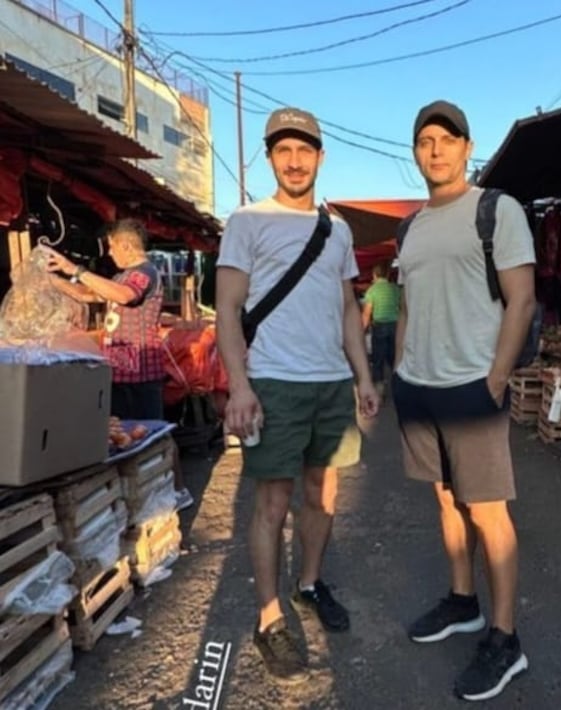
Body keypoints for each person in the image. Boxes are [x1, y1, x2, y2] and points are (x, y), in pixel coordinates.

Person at [215, 107, 379, 683]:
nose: (293, 160)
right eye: (282, 150)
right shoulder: (247, 220)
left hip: (331, 383)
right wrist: (239, 384)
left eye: (303, 149)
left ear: (320, 156)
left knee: (324, 493)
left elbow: (345, 309)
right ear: (270, 158)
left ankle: (309, 583)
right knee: (272, 503)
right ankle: (269, 615)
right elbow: (229, 309)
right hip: (276, 382)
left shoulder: (337, 230)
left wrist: (362, 376)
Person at [392, 100, 536, 702]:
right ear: (416, 151)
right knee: (448, 500)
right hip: (419, 386)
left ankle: (506, 640)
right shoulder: (411, 225)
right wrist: (399, 366)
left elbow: (521, 299)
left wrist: (496, 379)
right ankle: (463, 602)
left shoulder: (495, 210)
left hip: (473, 385)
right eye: (425, 140)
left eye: (446, 139)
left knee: (488, 510)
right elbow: (406, 306)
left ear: (466, 148)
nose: (435, 149)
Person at [42, 220, 193, 512]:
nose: (110, 253)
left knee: (155, 434)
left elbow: (124, 296)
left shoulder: (144, 273)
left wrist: (77, 269)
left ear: (125, 245)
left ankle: (177, 489)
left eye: (111, 246)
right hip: (121, 372)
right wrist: (52, 280)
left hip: (140, 373)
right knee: (127, 436)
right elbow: (92, 295)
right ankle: (144, 492)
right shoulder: (123, 276)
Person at [361, 260, 401, 398]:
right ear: (388, 274)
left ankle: (380, 390)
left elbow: (367, 313)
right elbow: (402, 310)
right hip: (395, 327)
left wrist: (362, 330)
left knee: (378, 360)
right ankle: (398, 387)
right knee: (394, 358)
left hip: (379, 327)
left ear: (374, 275)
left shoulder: (372, 291)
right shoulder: (395, 289)